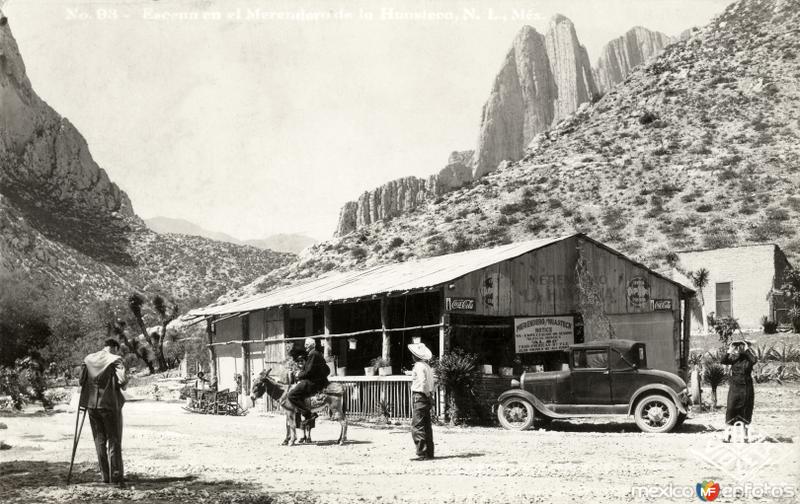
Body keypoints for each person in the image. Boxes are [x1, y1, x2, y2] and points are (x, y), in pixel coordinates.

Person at [78, 338, 127, 486]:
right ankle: (116, 475)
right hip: (109, 405)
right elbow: (122, 381)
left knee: (99, 440)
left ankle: (105, 476)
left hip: (92, 405)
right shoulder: (115, 359)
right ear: (114, 348)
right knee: (114, 440)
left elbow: (81, 381)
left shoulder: (88, 359)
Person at [720, 337, 757, 442]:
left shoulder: (750, 358)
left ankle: (745, 436)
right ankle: (728, 435)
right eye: (738, 346)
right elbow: (723, 360)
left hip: (746, 389)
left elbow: (754, 360)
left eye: (742, 345)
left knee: (746, 411)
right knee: (731, 410)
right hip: (735, 389)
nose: (739, 348)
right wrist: (730, 349)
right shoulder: (734, 358)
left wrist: (746, 349)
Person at [286, 338, 329, 421]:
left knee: (291, 395)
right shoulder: (316, 354)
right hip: (315, 381)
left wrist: (299, 375)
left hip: (312, 382)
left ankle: (308, 414)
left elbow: (308, 371)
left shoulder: (313, 354)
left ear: (312, 345)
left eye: (307, 344)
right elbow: (325, 370)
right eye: (305, 344)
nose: (305, 346)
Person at [408, 342, 435, 460]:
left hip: (420, 395)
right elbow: (430, 382)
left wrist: (427, 394)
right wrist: (430, 396)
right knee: (426, 425)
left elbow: (423, 383)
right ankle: (429, 452)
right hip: (426, 396)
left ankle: (422, 453)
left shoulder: (418, 366)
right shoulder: (427, 366)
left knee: (417, 425)